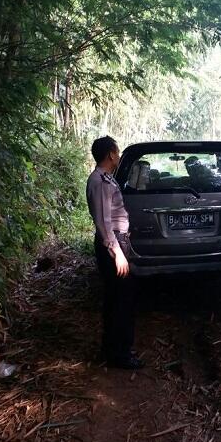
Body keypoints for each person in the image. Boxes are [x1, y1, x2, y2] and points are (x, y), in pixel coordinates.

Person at [86, 136, 143, 369]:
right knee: (122, 300)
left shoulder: (106, 179)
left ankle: (112, 349)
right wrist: (117, 252)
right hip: (113, 246)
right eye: (117, 152)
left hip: (116, 243)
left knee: (116, 299)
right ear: (110, 154)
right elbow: (103, 221)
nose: (118, 156)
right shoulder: (99, 181)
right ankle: (120, 355)